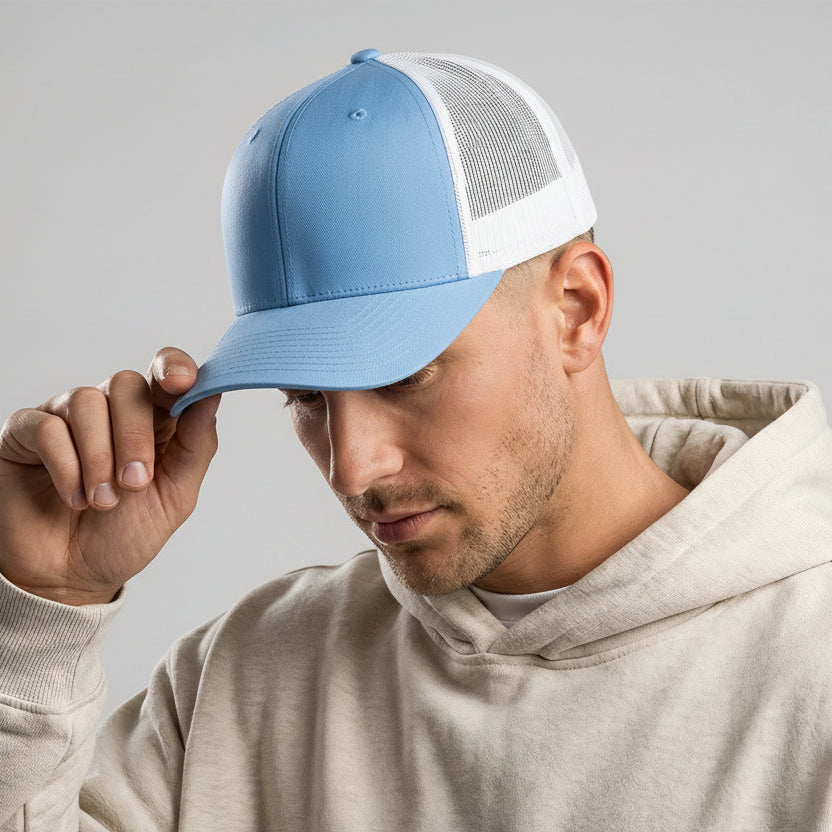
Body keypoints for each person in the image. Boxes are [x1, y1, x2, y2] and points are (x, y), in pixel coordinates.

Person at [0, 47, 830, 832]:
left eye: (406, 376)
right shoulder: (247, 676)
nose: (353, 467)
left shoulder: (809, 668)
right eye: (306, 396)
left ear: (576, 308)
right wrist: (44, 609)